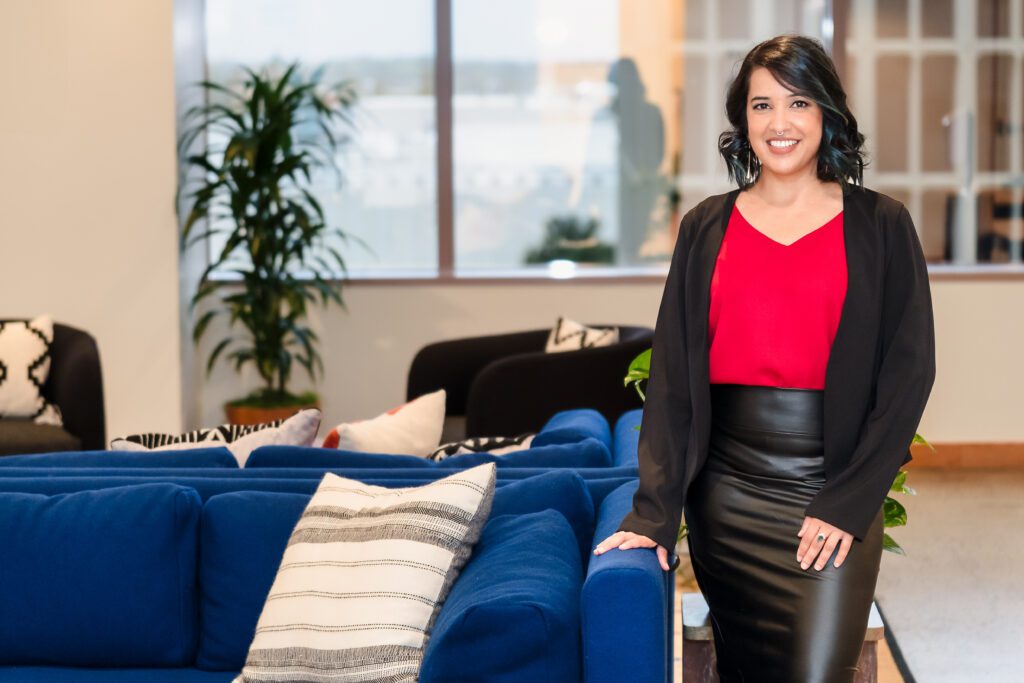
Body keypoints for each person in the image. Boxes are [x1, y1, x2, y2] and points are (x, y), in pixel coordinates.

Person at [592, 35, 936, 682]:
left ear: (826, 113)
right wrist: (654, 514)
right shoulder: (704, 227)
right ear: (741, 120)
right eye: (761, 105)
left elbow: (909, 372)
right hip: (729, 497)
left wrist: (850, 498)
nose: (779, 123)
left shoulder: (882, 226)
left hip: (834, 489)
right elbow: (670, 385)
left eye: (798, 102)